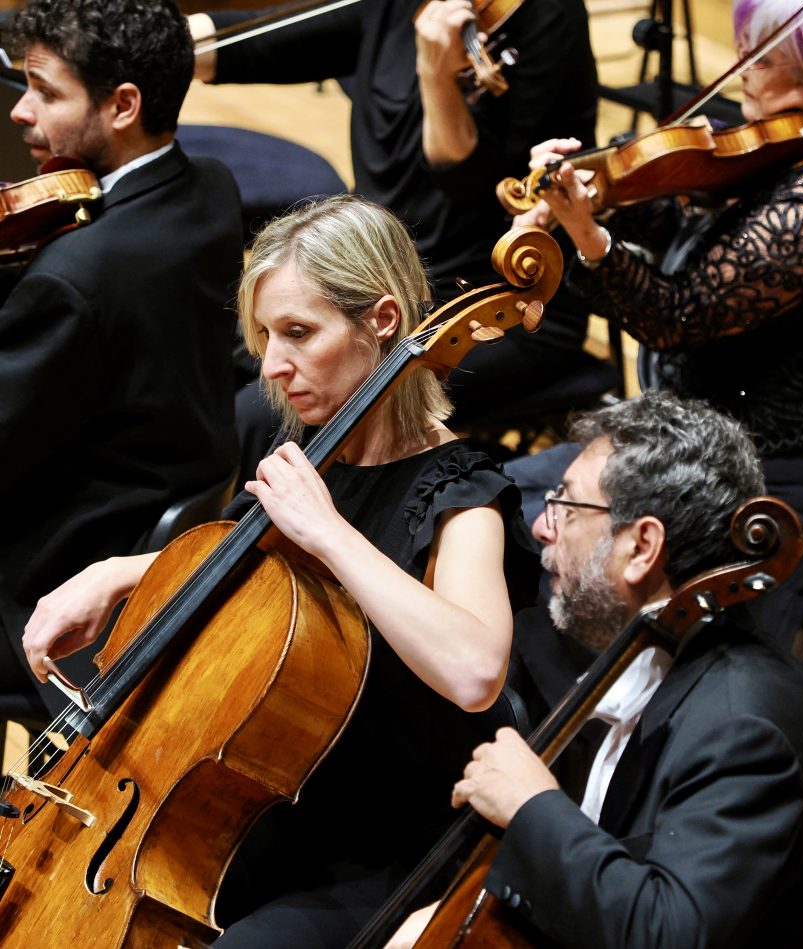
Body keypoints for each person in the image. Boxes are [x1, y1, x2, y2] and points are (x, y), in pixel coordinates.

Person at [21, 194, 540, 946]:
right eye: (264, 335)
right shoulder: (307, 437)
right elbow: (245, 564)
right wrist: (119, 571)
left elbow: (474, 669)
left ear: (383, 320)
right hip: (263, 801)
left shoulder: (462, 493)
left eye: (298, 332)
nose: (271, 364)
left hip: (378, 841)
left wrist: (328, 532)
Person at [512, 0, 803, 738]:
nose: (737, 71)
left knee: (728, 713)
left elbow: (681, 316)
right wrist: (598, 187)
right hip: (725, 447)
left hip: (800, 481)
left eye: (760, 57)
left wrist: (587, 237)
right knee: (519, 511)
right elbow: (691, 219)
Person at [394, 391, 803, 948]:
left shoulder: (746, 729)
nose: (544, 527)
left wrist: (531, 806)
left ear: (642, 546)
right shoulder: (650, 656)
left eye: (567, 506)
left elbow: (667, 934)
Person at [187, 0, 602, 468]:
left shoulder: (545, 18)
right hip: (368, 281)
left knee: (259, 415)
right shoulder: (397, 6)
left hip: (494, 303)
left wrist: (435, 71)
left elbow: (465, 180)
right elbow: (269, 39)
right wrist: (151, 40)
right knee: (210, 363)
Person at [0, 0, 242, 715]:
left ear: (123, 105)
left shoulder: (75, 280)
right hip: (157, 498)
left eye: (46, 92)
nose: (21, 112)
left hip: (47, 573)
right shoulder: (211, 190)